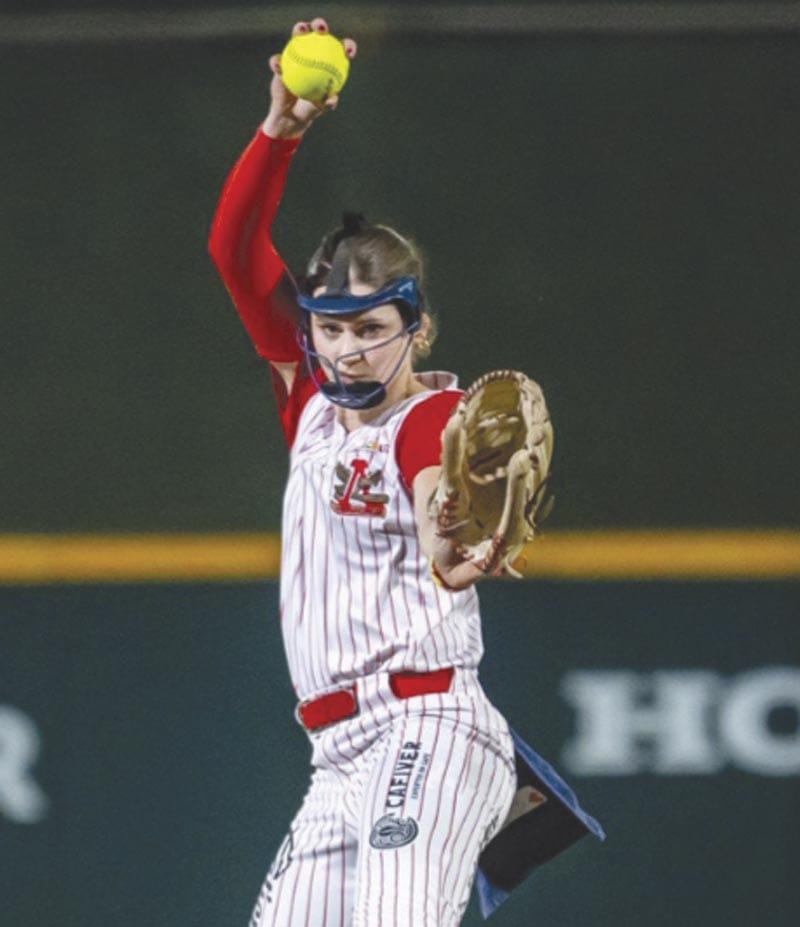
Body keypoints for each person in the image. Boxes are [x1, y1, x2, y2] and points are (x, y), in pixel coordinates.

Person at [209, 18, 602, 926]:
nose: (347, 350)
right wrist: (280, 130)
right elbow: (233, 253)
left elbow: (435, 486)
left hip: (426, 726)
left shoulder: (430, 415)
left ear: (416, 328)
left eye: (372, 327)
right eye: (332, 327)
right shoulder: (307, 402)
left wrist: (449, 533)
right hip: (337, 755)